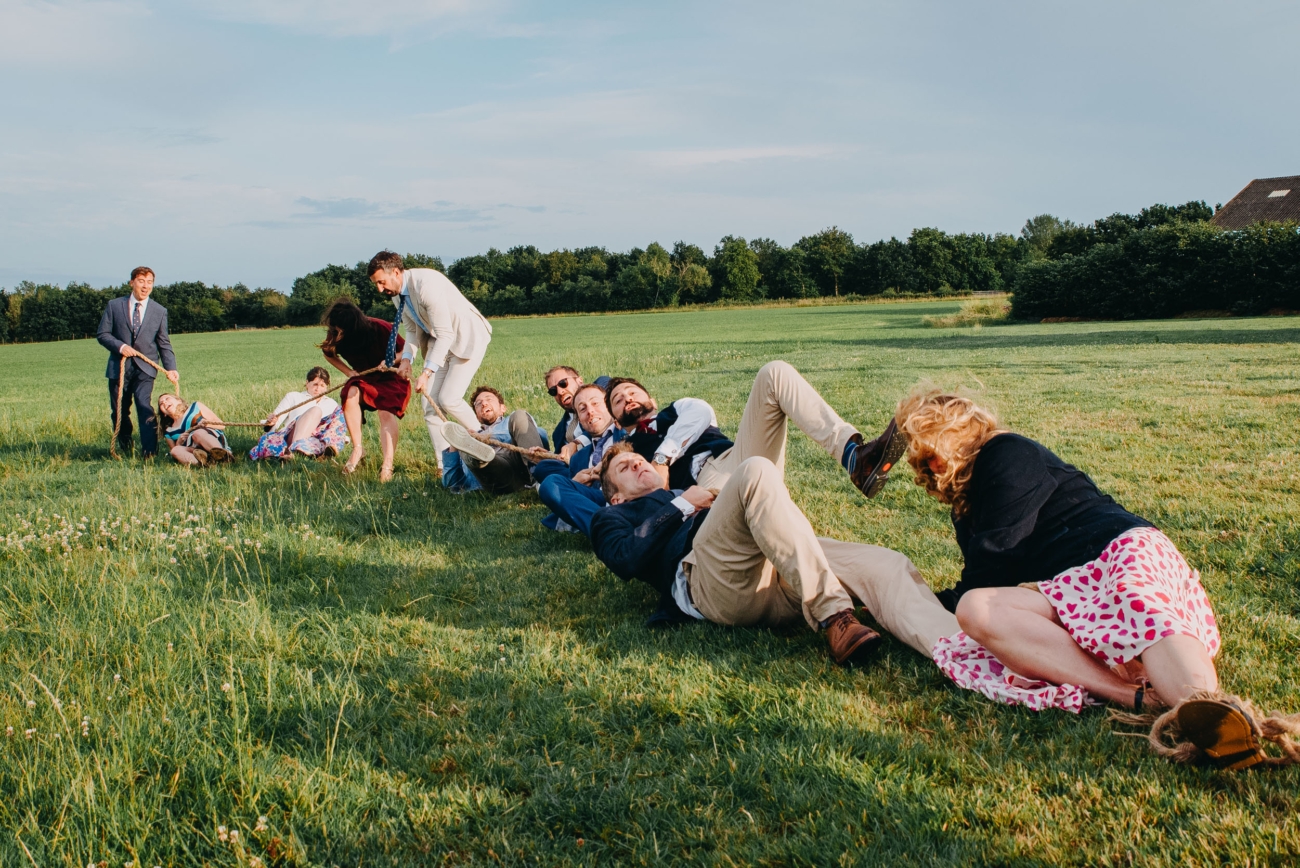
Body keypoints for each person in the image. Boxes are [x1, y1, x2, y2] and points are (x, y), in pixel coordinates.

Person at [895, 387, 1300, 769]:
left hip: (1116, 551)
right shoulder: (967, 510)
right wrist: (936, 601)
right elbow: (983, 583)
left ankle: (1208, 709)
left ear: (961, 432)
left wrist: (937, 597)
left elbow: (996, 555)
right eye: (923, 457)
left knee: (1135, 598)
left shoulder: (1005, 452)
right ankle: (1136, 697)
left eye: (934, 448)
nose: (931, 464)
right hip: (1068, 592)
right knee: (976, 609)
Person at [590, 360, 952, 656]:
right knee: (756, 472)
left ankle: (965, 649)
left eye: (637, 460)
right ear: (616, 497)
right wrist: (685, 501)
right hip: (715, 579)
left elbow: (699, 414)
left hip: (771, 557)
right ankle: (835, 615)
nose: (637, 464)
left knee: (887, 565)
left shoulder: (678, 413)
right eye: (625, 467)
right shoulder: (613, 516)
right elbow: (624, 556)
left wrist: (669, 469)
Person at [605, 369, 903, 497]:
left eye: (632, 392)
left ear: (651, 400)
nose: (628, 399)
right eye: (618, 400)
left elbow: (702, 412)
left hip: (737, 457)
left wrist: (662, 457)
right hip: (702, 487)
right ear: (617, 421)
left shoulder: (679, 408)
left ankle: (856, 458)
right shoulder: (627, 449)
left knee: (774, 373)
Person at [367, 250, 492, 471]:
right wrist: (406, 359)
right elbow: (412, 331)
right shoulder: (397, 294)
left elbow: (446, 333)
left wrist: (426, 374)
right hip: (439, 342)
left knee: (448, 399)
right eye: (376, 284)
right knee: (430, 406)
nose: (379, 289)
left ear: (396, 272)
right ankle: (445, 466)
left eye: (381, 282)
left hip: (466, 338)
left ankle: (488, 444)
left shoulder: (426, 286)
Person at [319, 299, 411, 482]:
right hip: (366, 378)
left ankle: (387, 464)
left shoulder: (379, 327)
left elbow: (407, 350)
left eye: (341, 330)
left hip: (391, 378)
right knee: (350, 392)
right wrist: (348, 371)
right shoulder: (336, 334)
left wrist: (392, 361)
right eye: (335, 329)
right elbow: (328, 353)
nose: (337, 333)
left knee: (385, 413)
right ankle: (358, 449)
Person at [96, 266, 179, 457]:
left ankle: (149, 452)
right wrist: (120, 346)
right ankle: (126, 445)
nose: (145, 286)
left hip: (146, 368)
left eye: (149, 282)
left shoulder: (159, 311)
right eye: (141, 281)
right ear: (132, 283)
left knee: (144, 405)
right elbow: (102, 334)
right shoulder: (114, 306)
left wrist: (171, 368)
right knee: (119, 411)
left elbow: (163, 342)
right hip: (119, 367)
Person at [536, 382, 626, 536]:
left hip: (628, 495)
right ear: (580, 421)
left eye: (596, 403)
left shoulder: (627, 432)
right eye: (582, 409)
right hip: (598, 502)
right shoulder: (579, 458)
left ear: (609, 406)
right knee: (551, 484)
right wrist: (575, 483)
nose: (590, 411)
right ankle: (610, 531)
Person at [440, 387, 548, 495]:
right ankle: (478, 455)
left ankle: (540, 478)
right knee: (467, 447)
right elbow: (452, 484)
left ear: (503, 408)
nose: (483, 404)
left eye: (489, 399)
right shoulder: (471, 438)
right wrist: (454, 446)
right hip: (497, 474)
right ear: (477, 416)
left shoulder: (513, 422)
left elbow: (536, 434)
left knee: (519, 415)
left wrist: (486, 438)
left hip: (521, 462)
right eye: (478, 403)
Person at [248, 367, 348, 461]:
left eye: (322, 386)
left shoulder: (332, 404)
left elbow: (335, 427)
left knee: (340, 411)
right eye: (315, 384)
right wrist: (271, 422)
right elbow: (275, 422)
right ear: (307, 383)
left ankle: (317, 451)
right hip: (290, 437)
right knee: (315, 411)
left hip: (314, 439)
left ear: (327, 387)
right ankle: (295, 449)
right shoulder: (293, 397)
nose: (318, 389)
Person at [157, 393, 232, 466]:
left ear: (179, 400)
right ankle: (205, 463)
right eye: (161, 403)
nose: (164, 402)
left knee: (197, 434)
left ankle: (223, 455)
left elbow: (222, 425)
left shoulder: (196, 407)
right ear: (164, 413)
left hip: (210, 439)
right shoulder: (169, 431)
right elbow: (174, 454)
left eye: (167, 398)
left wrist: (206, 424)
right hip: (195, 451)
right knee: (175, 450)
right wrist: (178, 443)